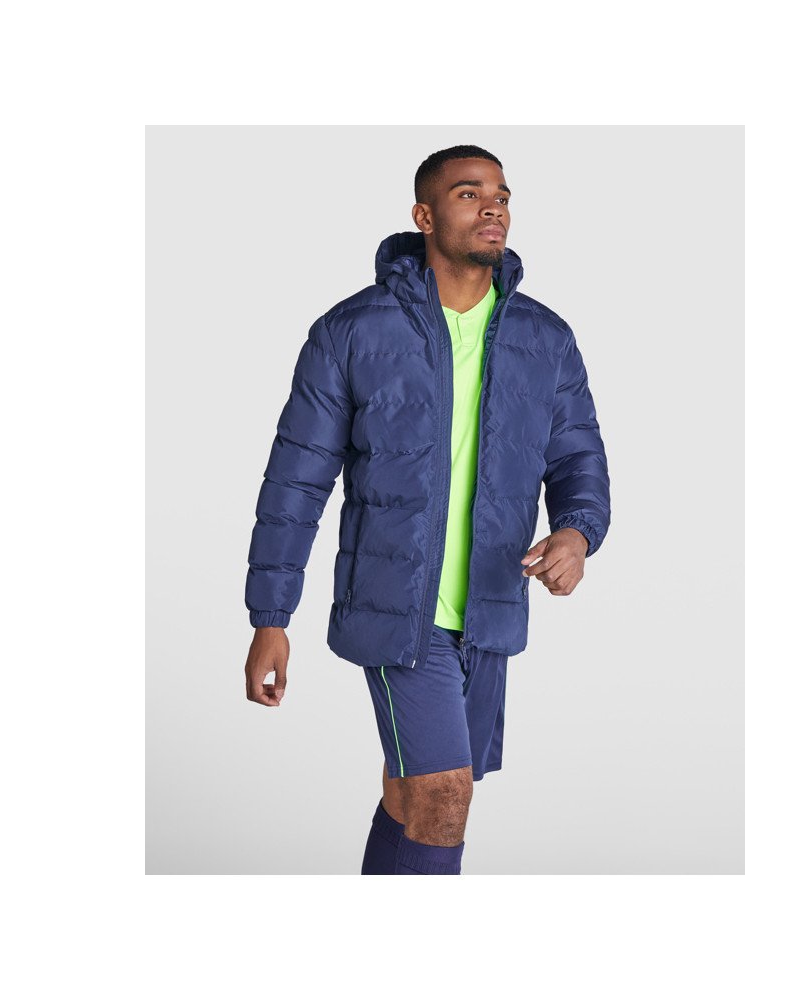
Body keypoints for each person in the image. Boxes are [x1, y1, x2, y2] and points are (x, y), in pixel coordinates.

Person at [243, 144, 611, 875]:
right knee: (444, 795)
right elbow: (295, 482)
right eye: (468, 194)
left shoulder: (546, 338)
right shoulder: (352, 332)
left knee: (415, 794)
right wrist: (270, 617)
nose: (493, 206)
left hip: (490, 610)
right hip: (396, 612)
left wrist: (576, 532)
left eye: (501, 194)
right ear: (424, 216)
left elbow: (579, 460)